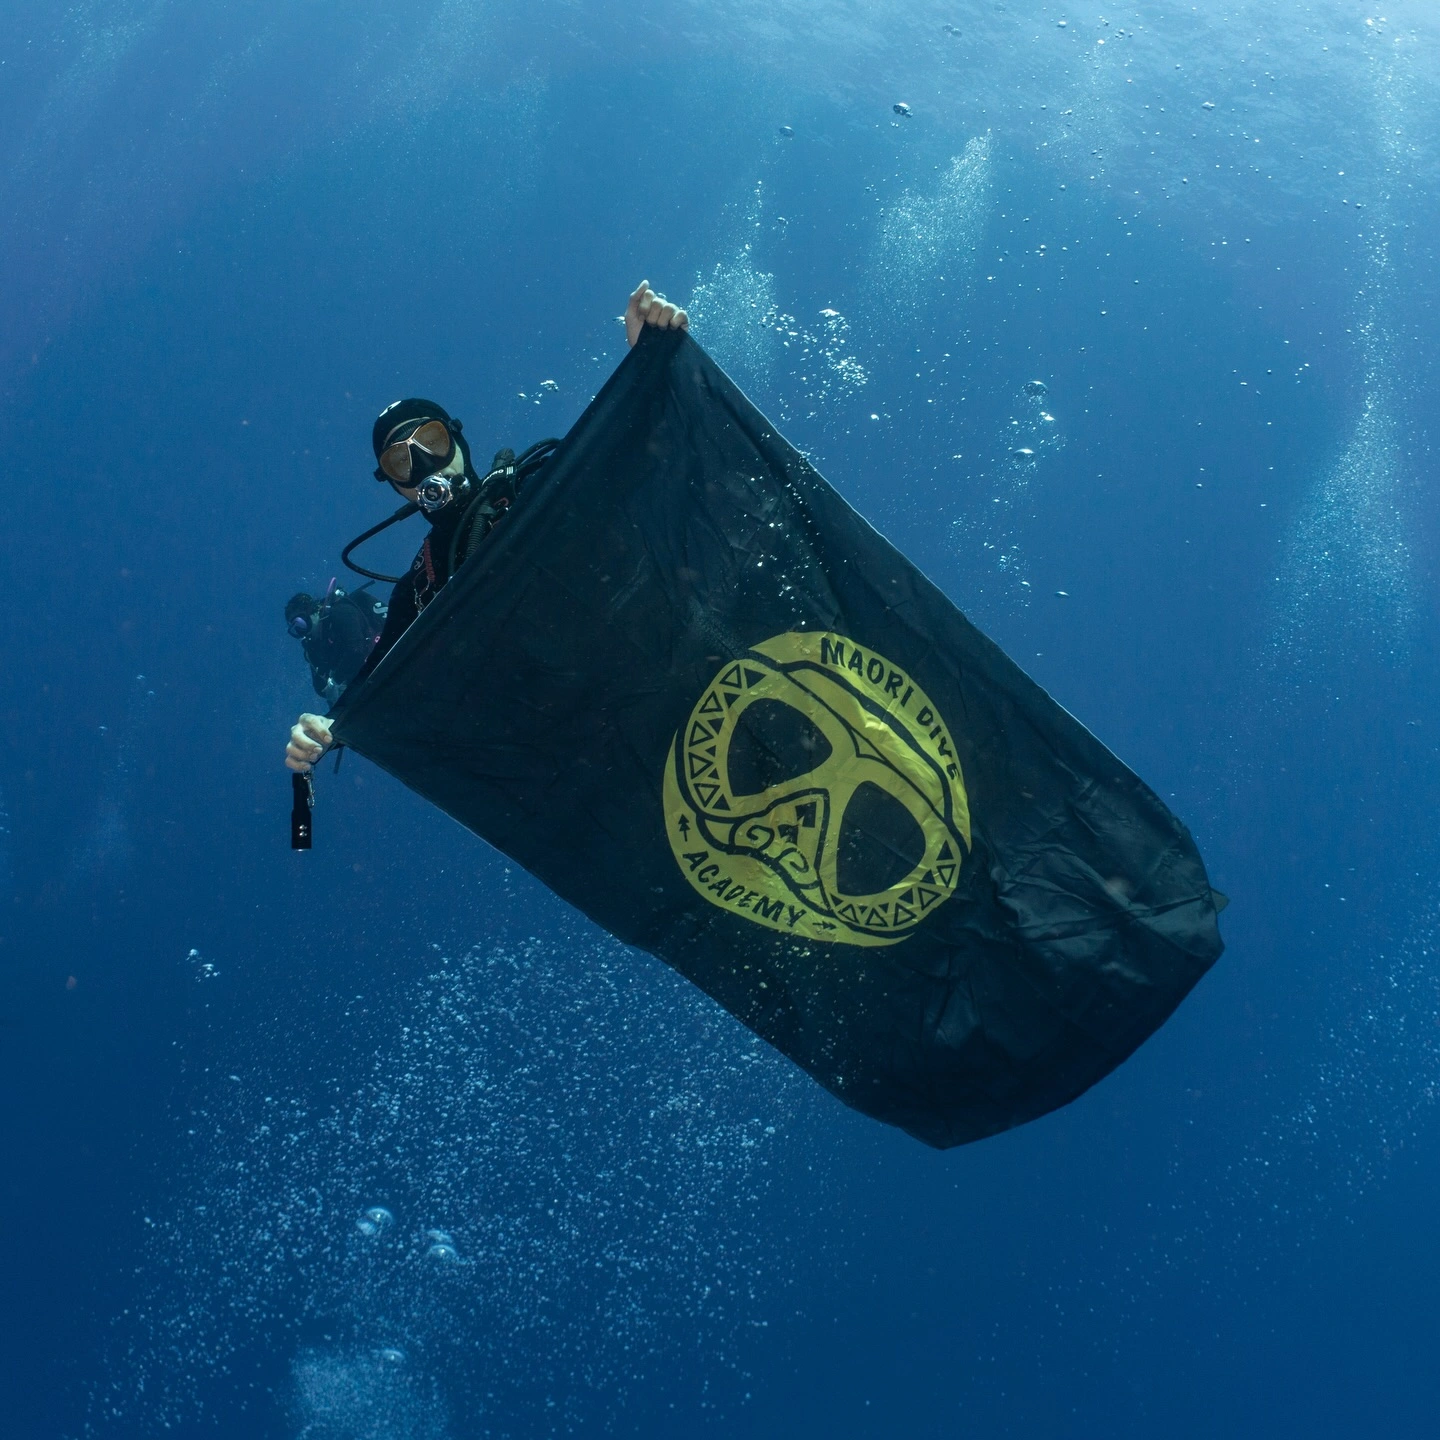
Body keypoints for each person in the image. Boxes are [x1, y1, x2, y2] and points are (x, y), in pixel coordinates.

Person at [285, 279, 688, 774]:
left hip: (672, 653)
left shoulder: (538, 481)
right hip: (597, 741)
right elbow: (372, 684)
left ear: (458, 440)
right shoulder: (419, 585)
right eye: (400, 462)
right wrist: (325, 730)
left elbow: (635, 454)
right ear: (397, 488)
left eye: (431, 441)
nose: (425, 466)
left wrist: (648, 362)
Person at [285, 584, 388, 706]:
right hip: (369, 685)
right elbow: (320, 688)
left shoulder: (340, 611)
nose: (302, 631)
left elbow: (356, 648)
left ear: (311, 611)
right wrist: (332, 687)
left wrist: (336, 680)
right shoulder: (314, 649)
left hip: (384, 656)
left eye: (300, 624)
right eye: (296, 629)